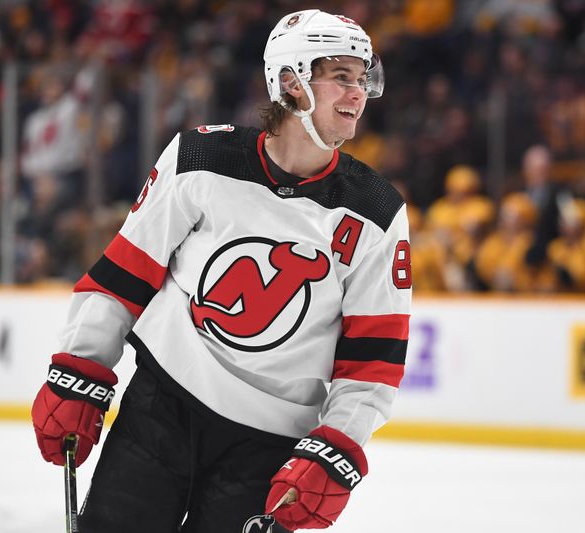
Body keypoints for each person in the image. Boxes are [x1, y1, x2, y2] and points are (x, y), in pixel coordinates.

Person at [30, 9, 411, 533]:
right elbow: (124, 273)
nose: (358, 93)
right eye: (341, 77)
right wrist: (80, 366)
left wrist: (336, 448)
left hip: (268, 451)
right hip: (159, 414)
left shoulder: (377, 211)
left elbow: (373, 361)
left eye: (362, 79)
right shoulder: (201, 157)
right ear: (290, 82)